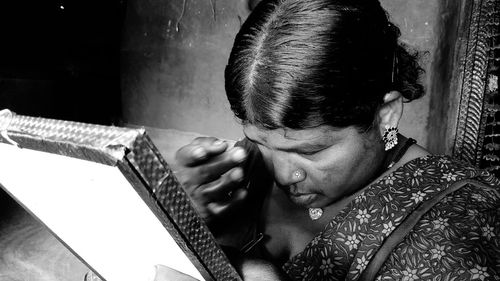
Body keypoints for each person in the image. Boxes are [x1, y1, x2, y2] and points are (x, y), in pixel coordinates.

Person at [168, 0, 500, 280]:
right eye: (261, 142)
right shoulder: (247, 169)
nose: (285, 175)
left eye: (311, 150)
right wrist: (180, 217)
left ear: (386, 113)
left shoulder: (457, 230)